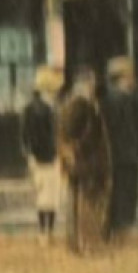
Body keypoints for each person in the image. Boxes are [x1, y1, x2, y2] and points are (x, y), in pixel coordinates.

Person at [58, 66, 113, 255]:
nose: (93, 87)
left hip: (81, 162)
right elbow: (70, 137)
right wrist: (77, 154)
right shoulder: (80, 106)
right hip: (86, 162)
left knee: (79, 203)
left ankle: (77, 244)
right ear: (82, 84)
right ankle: (89, 245)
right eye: (90, 83)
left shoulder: (74, 104)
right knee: (88, 205)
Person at [101, 57, 138, 238]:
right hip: (121, 155)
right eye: (129, 77)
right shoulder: (114, 101)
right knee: (122, 191)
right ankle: (122, 225)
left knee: (128, 190)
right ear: (120, 79)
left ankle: (124, 224)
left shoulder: (127, 100)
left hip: (128, 154)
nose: (133, 80)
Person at [22, 66, 64, 244]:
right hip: (43, 157)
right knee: (46, 197)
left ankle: (48, 232)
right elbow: (27, 135)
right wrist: (31, 155)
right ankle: (44, 232)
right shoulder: (37, 109)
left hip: (49, 156)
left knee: (50, 197)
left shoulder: (48, 108)